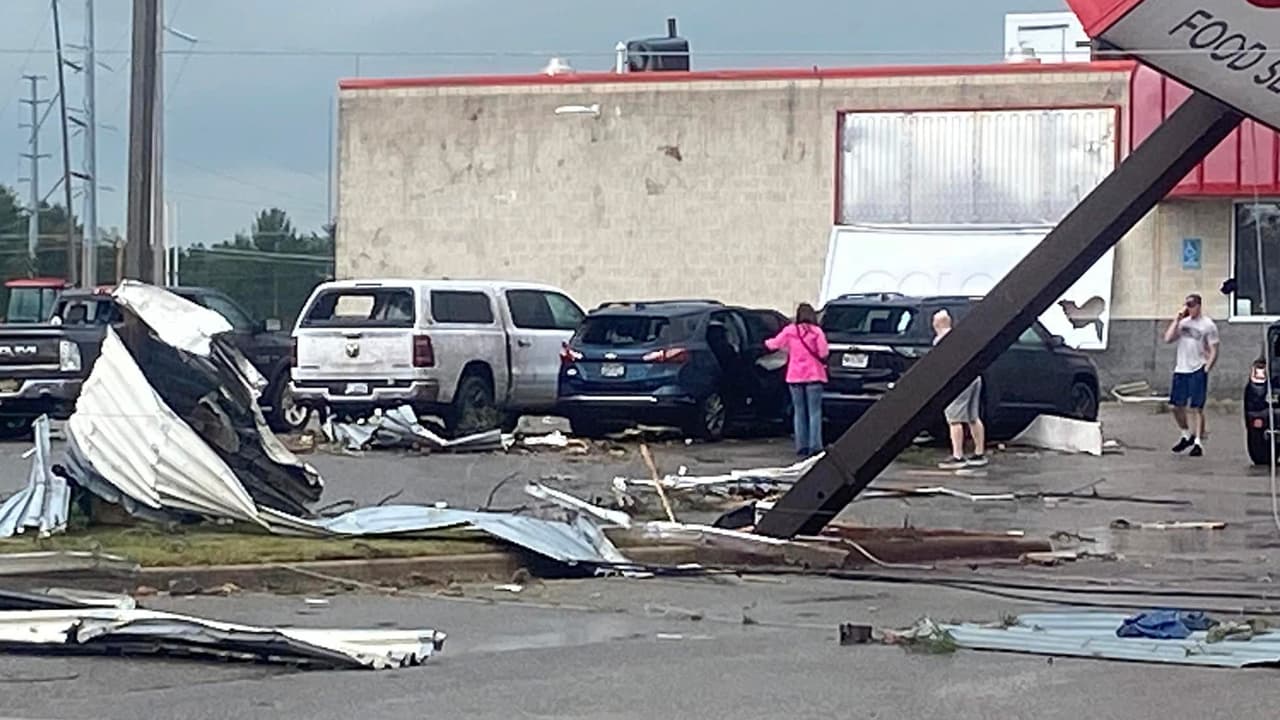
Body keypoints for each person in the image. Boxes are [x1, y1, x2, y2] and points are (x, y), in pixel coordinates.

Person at [765, 303, 830, 458]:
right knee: (814, 412)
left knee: (799, 411)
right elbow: (823, 352)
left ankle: (801, 446)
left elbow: (773, 344)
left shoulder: (790, 331)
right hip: (814, 375)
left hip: (794, 376)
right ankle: (815, 445)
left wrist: (764, 342)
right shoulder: (816, 332)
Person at [1164, 293, 1219, 457]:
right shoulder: (1183, 324)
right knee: (1175, 406)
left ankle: (1198, 443)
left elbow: (1214, 348)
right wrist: (1177, 319)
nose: (1190, 308)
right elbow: (1167, 339)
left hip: (1197, 368)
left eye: (1192, 305)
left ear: (1199, 306)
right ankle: (1185, 434)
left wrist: (1207, 367)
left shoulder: (1208, 325)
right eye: (1188, 305)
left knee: (1196, 407)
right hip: (1181, 368)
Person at [932, 310, 988, 470]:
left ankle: (958, 456)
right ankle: (979, 453)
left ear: (937, 324)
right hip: (974, 378)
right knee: (973, 417)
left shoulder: (940, 340)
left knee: (954, 419)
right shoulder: (962, 337)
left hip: (957, 382)